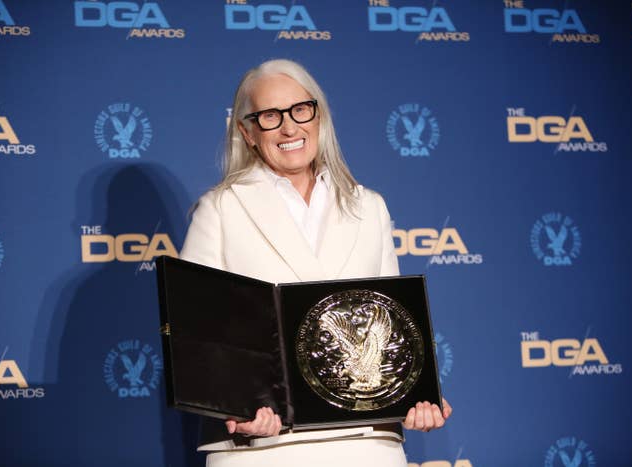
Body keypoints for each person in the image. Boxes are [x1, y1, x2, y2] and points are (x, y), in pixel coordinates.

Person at [180, 58, 451, 467]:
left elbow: (393, 322)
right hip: (264, 447)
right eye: (270, 116)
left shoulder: (370, 207)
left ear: (319, 116)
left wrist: (415, 394)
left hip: (365, 443)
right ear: (247, 132)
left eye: (300, 110)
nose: (290, 128)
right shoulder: (220, 209)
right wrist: (235, 407)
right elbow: (195, 329)